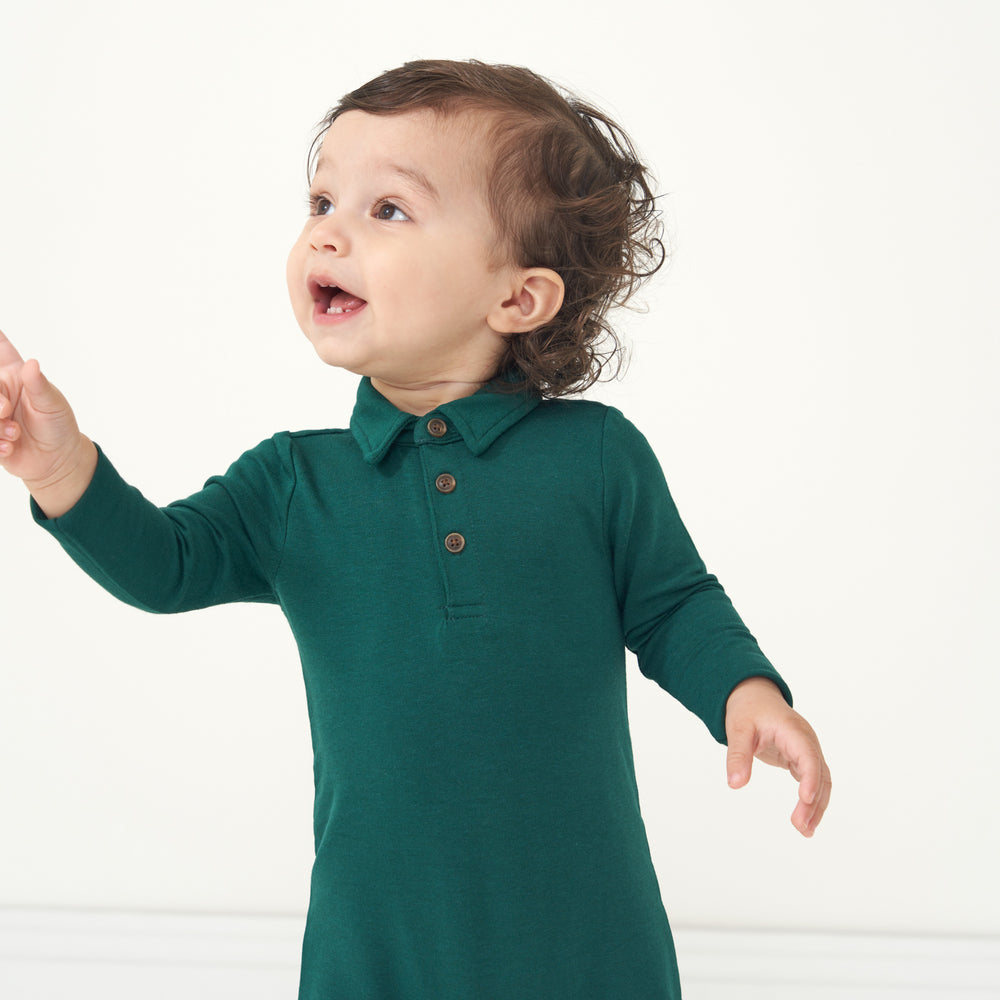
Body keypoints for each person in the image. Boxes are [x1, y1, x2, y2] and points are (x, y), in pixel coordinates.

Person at [0, 59, 830, 999]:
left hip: (585, 932)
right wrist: (65, 471)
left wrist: (747, 691)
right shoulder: (293, 480)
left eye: (387, 210)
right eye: (321, 199)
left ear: (518, 298)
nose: (329, 232)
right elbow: (167, 564)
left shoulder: (596, 459)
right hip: (374, 939)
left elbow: (675, 605)